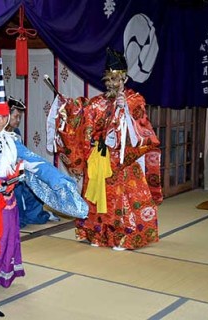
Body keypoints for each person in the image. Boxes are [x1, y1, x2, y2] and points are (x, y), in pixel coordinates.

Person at [0, 55, 88, 317]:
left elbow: (33, 161)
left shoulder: (11, 140)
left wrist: (57, 179)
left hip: (8, 203)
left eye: (3, 117)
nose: (1, 122)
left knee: (7, 242)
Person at [53, 48, 163, 250]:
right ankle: (97, 235)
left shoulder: (134, 100)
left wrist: (126, 109)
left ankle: (122, 236)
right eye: (109, 80)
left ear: (125, 78)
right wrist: (67, 107)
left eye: (117, 79)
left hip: (123, 162)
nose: (112, 84)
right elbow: (81, 116)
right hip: (100, 160)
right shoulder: (98, 102)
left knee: (121, 200)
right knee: (95, 197)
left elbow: (141, 128)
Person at [6, 96, 60, 228]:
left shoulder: (16, 133)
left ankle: (39, 214)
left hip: (19, 174)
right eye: (15, 117)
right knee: (18, 211)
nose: (18, 121)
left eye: (19, 117)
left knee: (37, 186)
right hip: (6, 179)